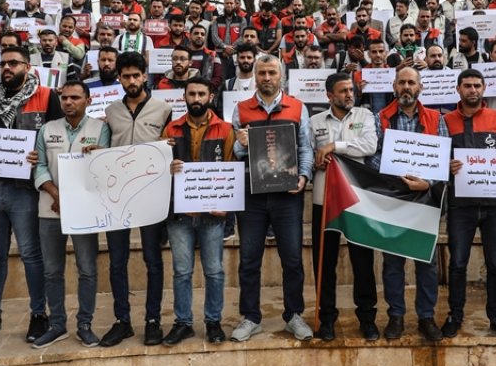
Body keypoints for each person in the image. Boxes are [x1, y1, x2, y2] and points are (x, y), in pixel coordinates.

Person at [0, 45, 63, 344]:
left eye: (14, 63)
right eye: (3, 63)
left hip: (25, 188)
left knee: (31, 254)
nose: (7, 68)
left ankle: (38, 314)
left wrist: (38, 155)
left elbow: (54, 138)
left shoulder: (46, 95)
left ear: (28, 67)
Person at [230, 53, 314, 342]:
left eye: (272, 73)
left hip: (287, 196)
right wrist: (241, 144)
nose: (267, 78)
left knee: (292, 258)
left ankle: (293, 315)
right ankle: (250, 317)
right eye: (262, 73)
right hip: (252, 196)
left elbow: (305, 148)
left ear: (282, 77)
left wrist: (303, 178)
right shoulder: (241, 109)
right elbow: (236, 153)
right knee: (249, 259)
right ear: (255, 75)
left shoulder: (297, 108)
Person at [100, 51, 173, 347]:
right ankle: (122, 321)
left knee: (152, 260)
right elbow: (103, 149)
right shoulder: (110, 111)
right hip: (117, 197)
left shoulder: (163, 109)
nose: (131, 81)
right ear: (118, 78)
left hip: (151, 195)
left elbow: (172, 147)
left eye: (136, 75)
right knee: (117, 261)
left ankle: (153, 319)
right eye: (125, 76)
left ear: (145, 76)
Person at [441, 68, 496, 340]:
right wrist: (445, 166)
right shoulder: (447, 120)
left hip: (495, 205)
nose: (472, 90)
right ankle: (455, 315)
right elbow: (438, 158)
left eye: (477, 85)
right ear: (458, 89)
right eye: (467, 86)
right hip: (460, 204)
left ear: (484, 89)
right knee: (458, 263)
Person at [33, 80, 110, 348]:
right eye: (65, 98)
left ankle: (85, 324)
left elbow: (101, 170)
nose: (68, 102)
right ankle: (57, 324)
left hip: (84, 211)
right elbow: (40, 167)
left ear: (88, 101)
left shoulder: (100, 129)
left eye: (75, 98)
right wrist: (56, 194)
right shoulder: (47, 129)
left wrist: (101, 155)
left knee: (87, 269)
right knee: (52, 270)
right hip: (50, 208)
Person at [375, 67, 447, 341]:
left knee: (426, 262)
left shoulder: (435, 119)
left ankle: (426, 317)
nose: (406, 87)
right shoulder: (380, 117)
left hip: (424, 198)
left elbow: (441, 156)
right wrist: (395, 177)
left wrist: (427, 182)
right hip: (394, 198)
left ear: (420, 87)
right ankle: (396, 315)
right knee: (392, 263)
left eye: (411, 83)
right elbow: (374, 156)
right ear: (394, 86)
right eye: (402, 82)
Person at [162, 76, 235, 345]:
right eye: (191, 94)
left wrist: (225, 205)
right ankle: (183, 322)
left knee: (214, 270)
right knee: (182, 271)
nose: (196, 99)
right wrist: (166, 167)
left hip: (212, 215)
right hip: (180, 215)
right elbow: (159, 168)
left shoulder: (225, 129)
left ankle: (213, 321)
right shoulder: (171, 129)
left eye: (201, 94)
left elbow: (231, 168)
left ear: (210, 97)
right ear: (184, 97)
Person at [309, 72, 381, 341]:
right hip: (323, 198)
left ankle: (367, 317)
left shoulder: (364, 116)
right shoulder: (314, 121)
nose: (349, 94)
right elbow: (308, 153)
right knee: (324, 261)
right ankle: (326, 317)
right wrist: (316, 162)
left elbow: (369, 146)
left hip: (355, 200)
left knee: (362, 261)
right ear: (330, 96)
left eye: (351, 90)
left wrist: (333, 146)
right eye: (343, 91)